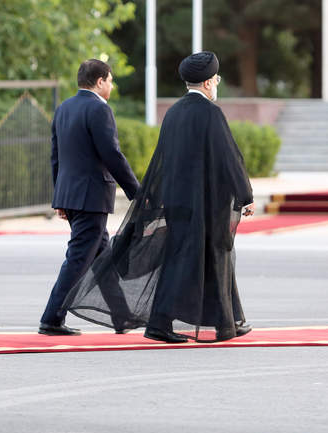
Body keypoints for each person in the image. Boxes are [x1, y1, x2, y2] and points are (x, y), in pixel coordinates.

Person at [63, 51, 255, 343]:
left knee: (194, 258)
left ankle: (226, 321)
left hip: (177, 201)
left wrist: (155, 197)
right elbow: (229, 157)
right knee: (211, 258)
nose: (216, 83)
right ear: (207, 83)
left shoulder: (174, 112)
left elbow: (163, 159)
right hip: (205, 203)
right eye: (215, 79)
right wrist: (245, 195)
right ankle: (163, 323)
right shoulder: (210, 114)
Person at [38, 59, 140, 336]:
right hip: (91, 196)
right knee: (78, 259)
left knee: (101, 257)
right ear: (100, 81)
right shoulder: (99, 109)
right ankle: (51, 318)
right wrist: (137, 192)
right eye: (110, 81)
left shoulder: (64, 108)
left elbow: (56, 156)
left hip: (72, 195)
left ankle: (122, 316)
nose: (112, 86)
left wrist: (60, 197)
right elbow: (112, 155)